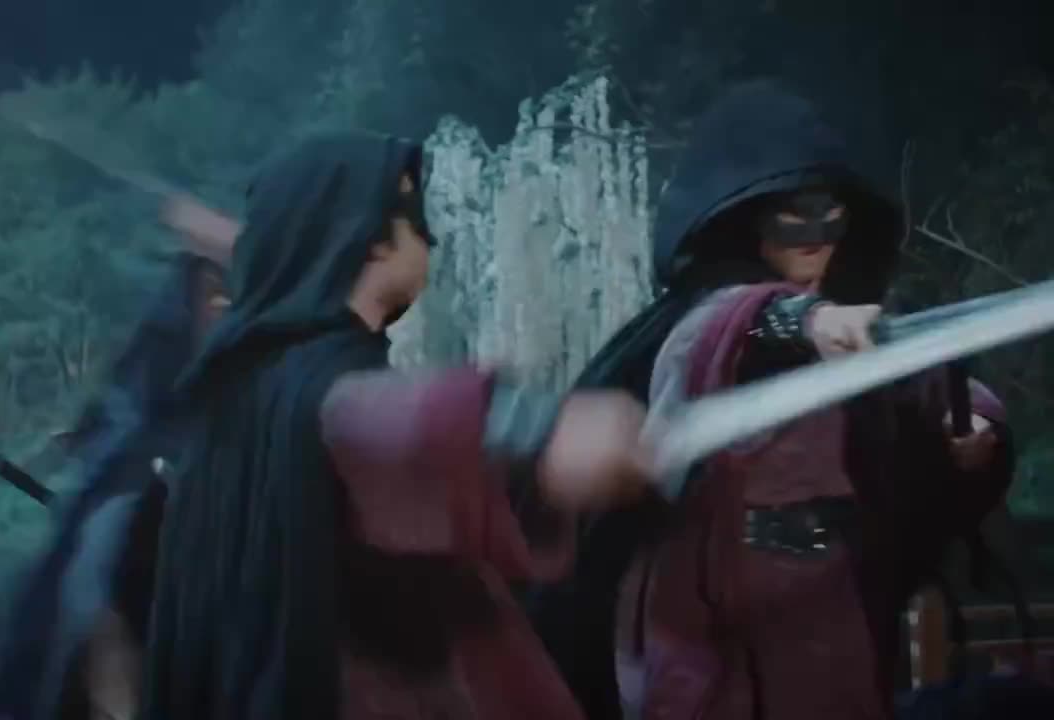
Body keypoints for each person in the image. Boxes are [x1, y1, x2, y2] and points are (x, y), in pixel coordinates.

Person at [526, 81, 1016, 720]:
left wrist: (974, 426)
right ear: (748, 221)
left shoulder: (864, 328)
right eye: (792, 215)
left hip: (831, 600)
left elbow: (932, 389)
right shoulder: (705, 324)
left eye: (830, 216)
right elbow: (723, 330)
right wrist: (805, 321)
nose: (815, 236)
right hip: (711, 607)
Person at [140, 130, 657, 720]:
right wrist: (538, 430)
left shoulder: (244, 392)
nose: (429, 237)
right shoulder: (313, 392)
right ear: (371, 240)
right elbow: (384, 422)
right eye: (411, 213)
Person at [0, 243, 232, 720]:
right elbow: (104, 629)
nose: (222, 310)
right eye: (213, 297)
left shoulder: (213, 425)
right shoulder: (131, 460)